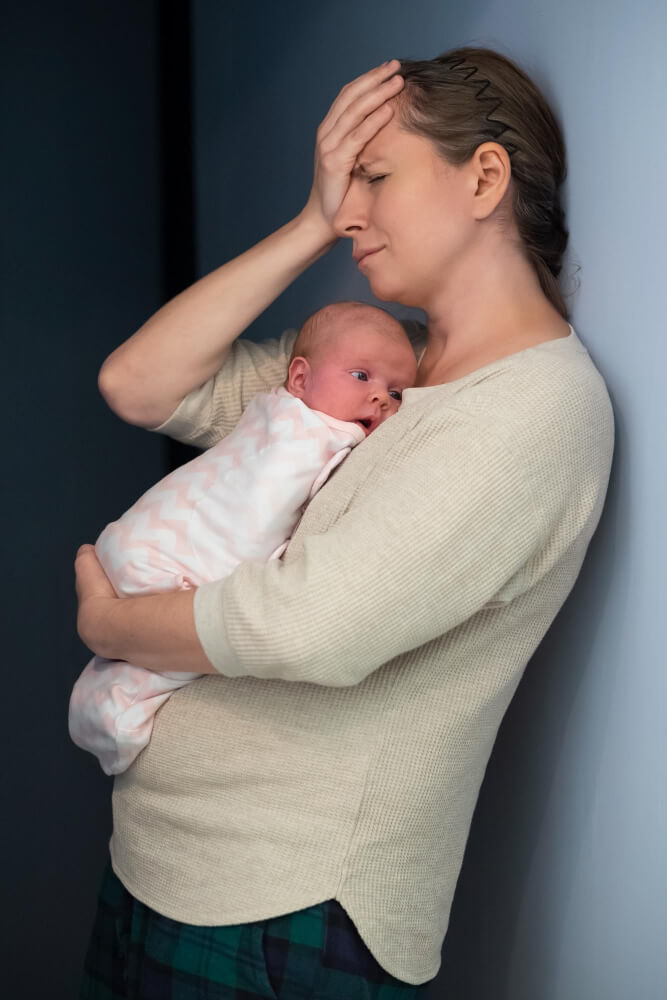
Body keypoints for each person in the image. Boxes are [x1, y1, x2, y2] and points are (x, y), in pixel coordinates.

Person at [74, 48, 614, 998]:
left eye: (373, 176)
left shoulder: (533, 409)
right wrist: (309, 223)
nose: (351, 209)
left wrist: (111, 626)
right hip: (165, 864)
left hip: (288, 910)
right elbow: (138, 383)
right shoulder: (379, 368)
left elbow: (309, 626)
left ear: (483, 176)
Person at [68, 302, 416, 776]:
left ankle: (104, 710)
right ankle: (110, 720)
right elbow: (261, 508)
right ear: (299, 380)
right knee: (171, 655)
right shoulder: (306, 433)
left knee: (147, 657)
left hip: (136, 544)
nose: (380, 398)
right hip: (170, 558)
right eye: (361, 376)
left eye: (396, 392)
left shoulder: (284, 417)